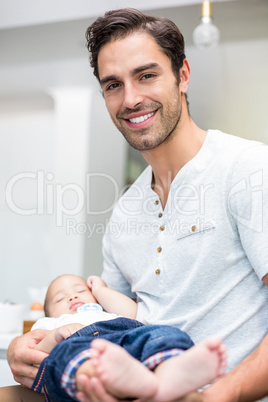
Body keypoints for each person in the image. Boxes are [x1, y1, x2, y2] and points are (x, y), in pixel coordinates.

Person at [4, 7, 268, 402]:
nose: (131, 99)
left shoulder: (249, 168)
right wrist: (26, 346)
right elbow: (110, 325)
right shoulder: (124, 213)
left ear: (182, 75)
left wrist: (217, 397)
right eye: (113, 85)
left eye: (146, 75)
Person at [30, 274, 226, 401]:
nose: (72, 297)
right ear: (48, 313)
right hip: (84, 348)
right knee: (61, 356)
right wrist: (55, 336)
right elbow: (36, 352)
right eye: (60, 298)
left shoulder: (106, 310)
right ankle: (111, 379)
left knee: (158, 333)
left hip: (126, 339)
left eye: (81, 291)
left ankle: (169, 373)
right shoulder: (50, 323)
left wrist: (100, 290)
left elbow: (133, 313)